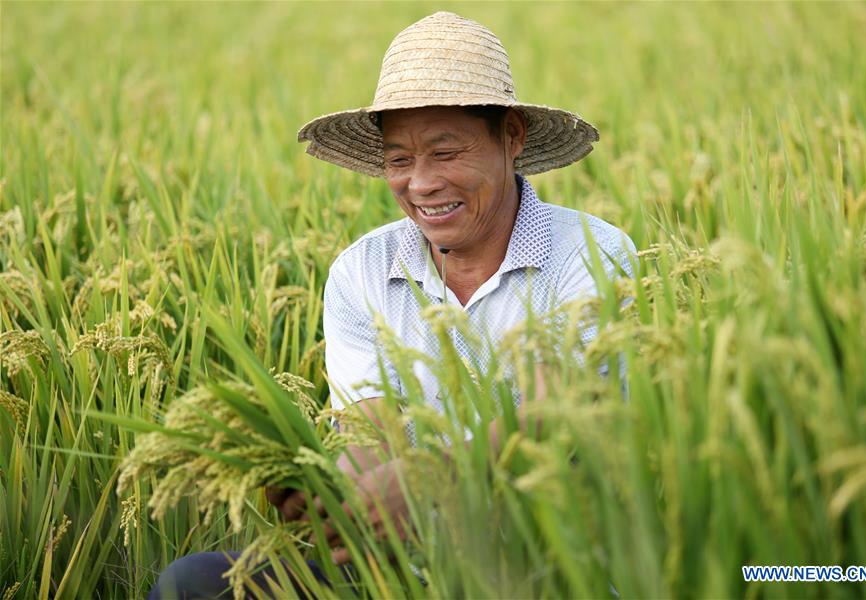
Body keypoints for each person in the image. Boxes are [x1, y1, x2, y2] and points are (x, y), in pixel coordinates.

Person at [150, 11, 635, 599]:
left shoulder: (591, 253)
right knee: (193, 585)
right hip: (408, 563)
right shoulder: (364, 272)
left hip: (549, 563)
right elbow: (370, 437)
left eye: (445, 153)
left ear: (511, 137)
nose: (421, 184)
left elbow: (551, 409)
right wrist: (328, 496)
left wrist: (432, 477)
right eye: (399, 160)